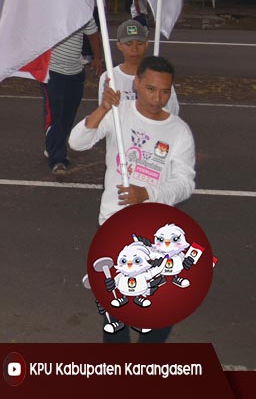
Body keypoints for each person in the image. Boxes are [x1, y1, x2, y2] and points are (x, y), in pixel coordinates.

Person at [69, 56, 194, 341]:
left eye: (165, 91)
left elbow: (185, 183)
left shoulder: (179, 131)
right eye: (150, 89)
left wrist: (147, 194)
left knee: (160, 315)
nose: (157, 98)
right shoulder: (117, 112)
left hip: (158, 234)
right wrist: (102, 109)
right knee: (116, 317)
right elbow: (77, 143)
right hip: (114, 226)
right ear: (136, 83)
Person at [43, 17, 104, 175]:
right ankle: (58, 159)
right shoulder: (50, 8)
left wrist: (97, 58)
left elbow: (92, 34)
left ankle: (53, 145)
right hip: (52, 73)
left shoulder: (82, 9)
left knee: (67, 117)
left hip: (76, 73)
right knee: (55, 115)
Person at [97, 19, 180, 116]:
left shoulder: (158, 76)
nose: (134, 49)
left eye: (140, 43)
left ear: (146, 44)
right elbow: (103, 112)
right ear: (119, 45)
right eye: (129, 44)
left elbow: (172, 110)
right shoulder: (109, 76)